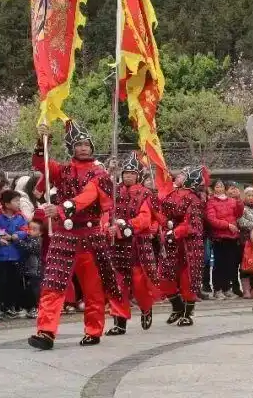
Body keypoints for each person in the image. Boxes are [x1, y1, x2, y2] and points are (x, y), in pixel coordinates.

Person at [28, 120, 120, 350]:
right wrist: (42, 140)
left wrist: (60, 209)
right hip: (64, 235)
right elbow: (42, 164)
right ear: (71, 147)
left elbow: (87, 197)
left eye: (87, 144)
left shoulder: (100, 174)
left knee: (93, 287)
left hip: (90, 237)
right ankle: (46, 331)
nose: (83, 148)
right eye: (79, 144)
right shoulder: (63, 170)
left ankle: (93, 329)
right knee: (53, 283)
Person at [106, 153, 158, 335]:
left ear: (138, 175)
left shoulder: (145, 193)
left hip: (137, 243)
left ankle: (146, 307)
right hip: (117, 244)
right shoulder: (113, 191)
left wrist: (127, 225)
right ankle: (119, 322)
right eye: (126, 172)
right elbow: (107, 211)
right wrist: (108, 225)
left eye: (132, 173)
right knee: (117, 283)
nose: (128, 176)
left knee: (138, 282)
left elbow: (145, 218)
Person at [158, 165, 207, 327]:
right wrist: (164, 225)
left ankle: (187, 312)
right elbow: (162, 212)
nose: (178, 176)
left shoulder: (194, 199)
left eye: (182, 175)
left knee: (188, 278)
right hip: (171, 241)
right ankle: (177, 306)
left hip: (189, 244)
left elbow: (191, 223)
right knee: (165, 276)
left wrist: (175, 232)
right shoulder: (172, 194)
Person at [205, 178, 244, 300]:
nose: (220, 188)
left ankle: (227, 288)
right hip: (219, 237)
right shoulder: (211, 202)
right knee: (219, 264)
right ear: (213, 189)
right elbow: (211, 219)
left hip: (233, 236)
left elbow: (239, 213)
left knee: (230, 264)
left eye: (221, 186)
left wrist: (238, 199)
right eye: (217, 186)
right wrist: (227, 225)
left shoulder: (232, 201)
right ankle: (218, 289)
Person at [0, 189, 29, 318]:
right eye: (16, 201)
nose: (18, 203)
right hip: (1, 255)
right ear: (7, 204)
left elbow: (25, 230)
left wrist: (14, 236)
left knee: (13, 281)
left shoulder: (20, 218)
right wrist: (1, 237)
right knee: (0, 281)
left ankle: (11, 305)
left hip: (16, 254)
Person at [19, 220, 43, 319]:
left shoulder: (38, 240)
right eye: (29, 229)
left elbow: (31, 248)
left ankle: (36, 307)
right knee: (28, 289)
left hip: (36, 269)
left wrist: (18, 241)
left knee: (35, 289)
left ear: (40, 232)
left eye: (34, 229)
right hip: (28, 269)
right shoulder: (28, 238)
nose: (30, 231)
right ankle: (29, 307)